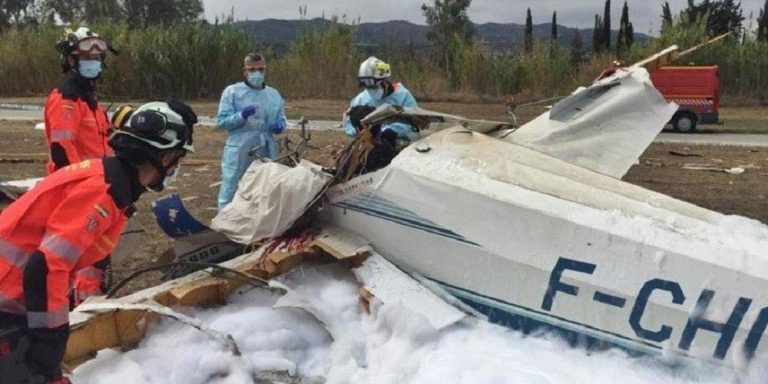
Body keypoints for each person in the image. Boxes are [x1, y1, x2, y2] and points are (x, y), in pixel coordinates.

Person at [0, 101, 197, 383]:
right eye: (178, 158)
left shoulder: (110, 180)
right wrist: (50, 338)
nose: (176, 166)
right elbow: (46, 267)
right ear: (165, 158)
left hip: (19, 295)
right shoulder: (103, 194)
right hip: (9, 298)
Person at [216, 53, 288, 210]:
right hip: (240, 147)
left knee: (265, 184)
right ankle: (226, 217)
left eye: (261, 69)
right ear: (244, 71)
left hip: (266, 147)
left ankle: (259, 218)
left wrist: (280, 126)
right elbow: (222, 122)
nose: (257, 73)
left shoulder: (273, 95)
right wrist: (241, 116)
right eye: (252, 69)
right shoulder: (232, 92)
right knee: (233, 183)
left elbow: (282, 119)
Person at [43, 27, 114, 175]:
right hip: (76, 180)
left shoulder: (90, 100)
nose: (93, 62)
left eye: (96, 58)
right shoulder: (66, 99)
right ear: (71, 60)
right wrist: (78, 179)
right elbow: (62, 148)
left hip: (98, 178)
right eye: (87, 58)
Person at [343, 56, 418, 145]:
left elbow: (414, 120)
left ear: (385, 81)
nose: (372, 90)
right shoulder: (360, 99)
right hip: (369, 145)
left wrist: (388, 131)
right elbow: (350, 125)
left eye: (374, 87)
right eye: (369, 87)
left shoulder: (402, 95)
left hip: (398, 143)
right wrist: (360, 132)